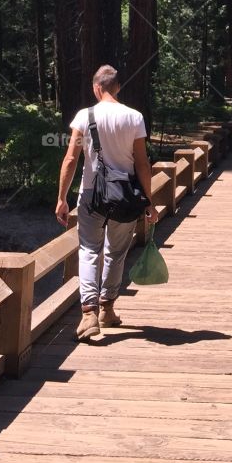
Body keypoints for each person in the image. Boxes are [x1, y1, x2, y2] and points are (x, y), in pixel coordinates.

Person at [55, 65, 157, 340]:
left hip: (91, 194)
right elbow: (142, 162)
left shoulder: (83, 117)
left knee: (89, 250)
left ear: (96, 87)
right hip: (124, 195)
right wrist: (149, 201)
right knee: (115, 252)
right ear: (118, 87)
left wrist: (62, 198)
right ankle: (107, 309)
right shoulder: (134, 117)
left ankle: (88, 314)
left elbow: (70, 159)